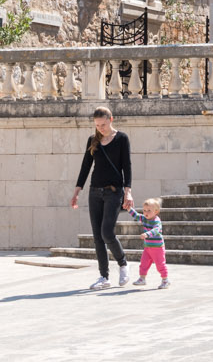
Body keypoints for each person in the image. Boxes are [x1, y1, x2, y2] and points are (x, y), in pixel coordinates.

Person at [69, 105, 132, 289]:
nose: (100, 128)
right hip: (94, 192)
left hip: (114, 192)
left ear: (111, 119)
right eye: (97, 125)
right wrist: (76, 192)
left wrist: (128, 191)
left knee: (107, 232)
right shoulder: (92, 140)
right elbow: (85, 167)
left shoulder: (121, 139)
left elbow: (126, 166)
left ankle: (123, 264)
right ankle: (104, 277)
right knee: (97, 236)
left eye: (103, 124)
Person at [128, 197, 168, 288]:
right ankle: (142, 278)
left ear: (156, 211)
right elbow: (136, 215)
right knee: (144, 263)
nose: (146, 212)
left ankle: (165, 280)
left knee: (160, 264)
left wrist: (147, 234)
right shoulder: (145, 218)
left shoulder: (156, 221)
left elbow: (156, 230)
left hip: (157, 248)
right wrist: (129, 209)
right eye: (144, 210)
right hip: (148, 247)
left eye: (149, 210)